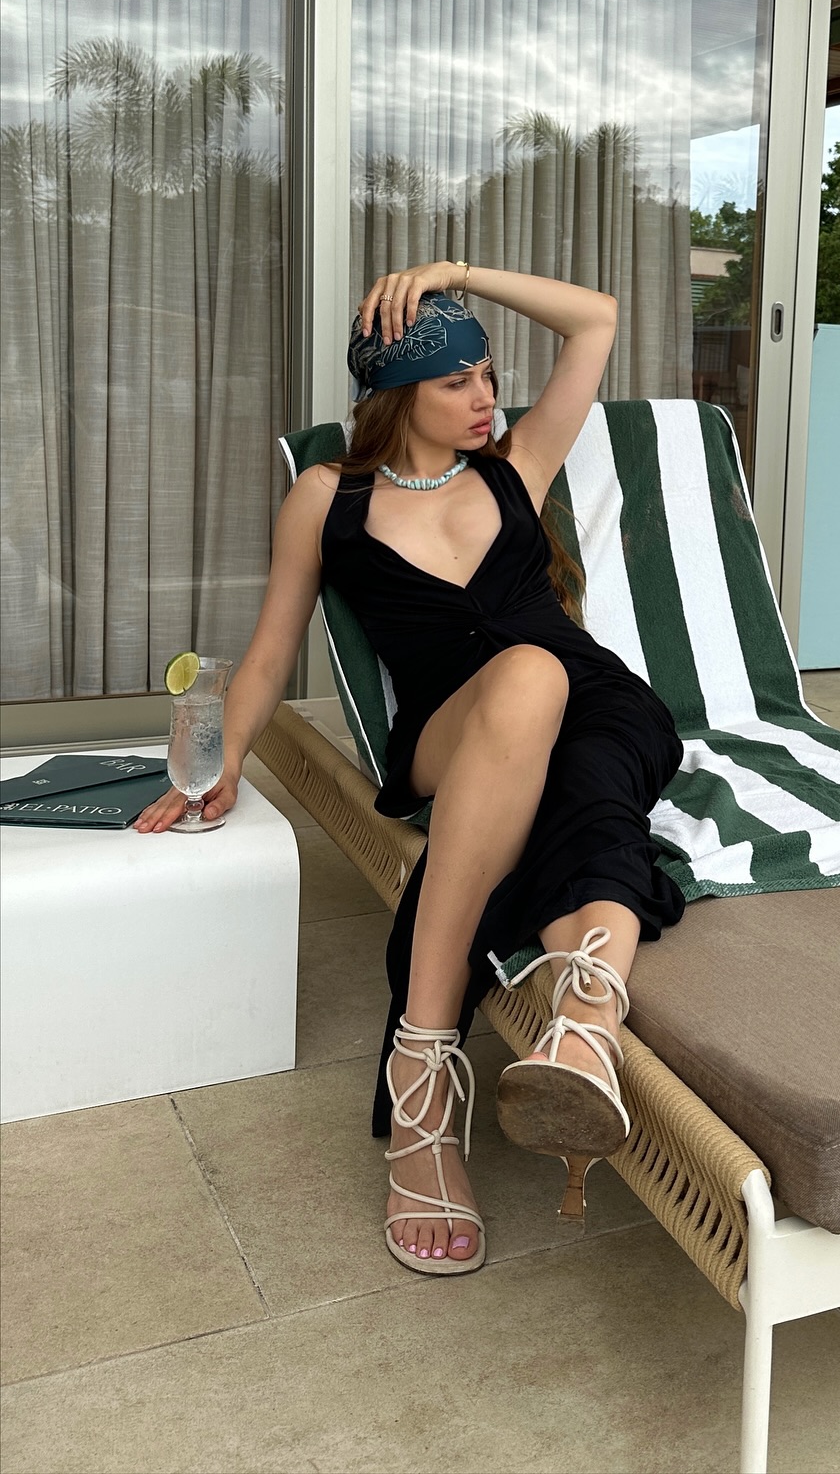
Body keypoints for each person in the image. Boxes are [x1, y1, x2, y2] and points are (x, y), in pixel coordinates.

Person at [138, 262, 686, 1277]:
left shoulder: (515, 466)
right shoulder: (328, 499)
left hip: (599, 703)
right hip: (451, 728)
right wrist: (220, 762)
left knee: (590, 794)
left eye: (488, 375)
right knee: (526, 675)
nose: (486, 398)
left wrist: (459, 273)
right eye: (456, 382)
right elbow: (270, 651)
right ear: (395, 395)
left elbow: (597, 320)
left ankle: (570, 1024)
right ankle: (470, 1046)